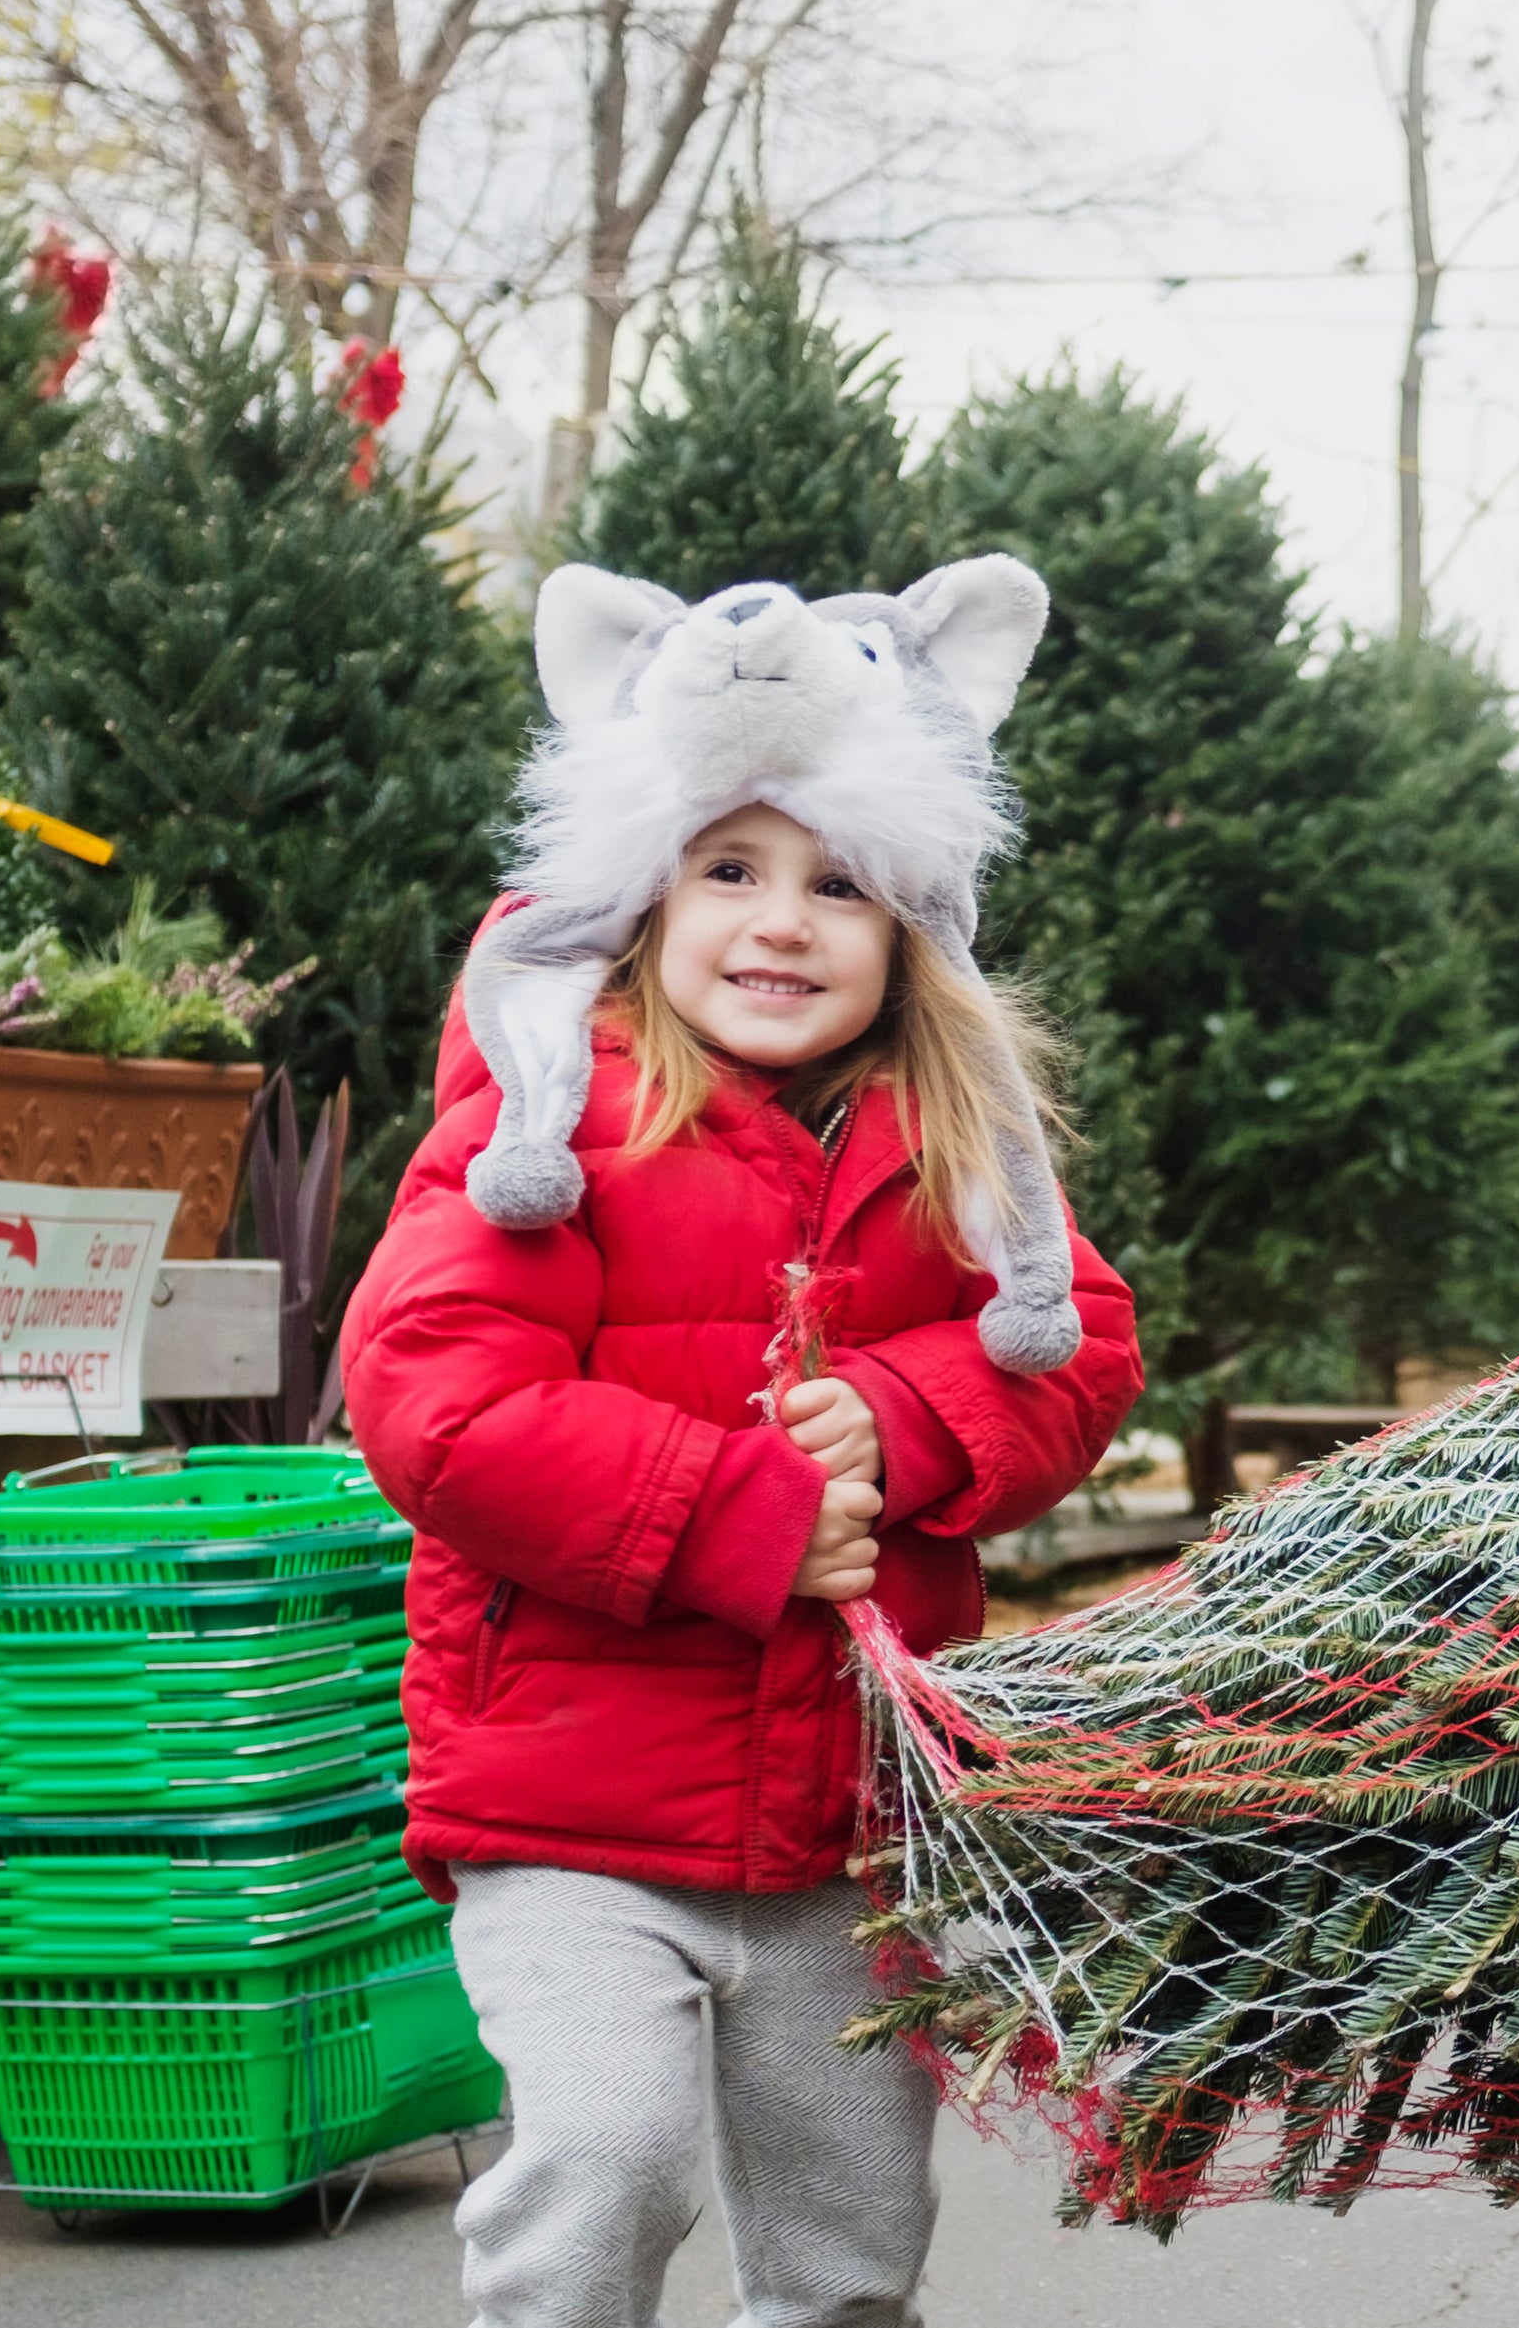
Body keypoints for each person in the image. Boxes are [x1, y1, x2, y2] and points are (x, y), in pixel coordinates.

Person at [348, 561, 1147, 2328]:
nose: (782, 923)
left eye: (838, 882)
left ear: (910, 928)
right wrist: (741, 1510)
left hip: (844, 1819)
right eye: (729, 869)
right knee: (608, 2161)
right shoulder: (553, 1124)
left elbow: (1081, 1344)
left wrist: (911, 1414)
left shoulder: (946, 1139)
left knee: (849, 2241)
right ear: (643, 890)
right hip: (569, 1801)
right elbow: (436, 1394)